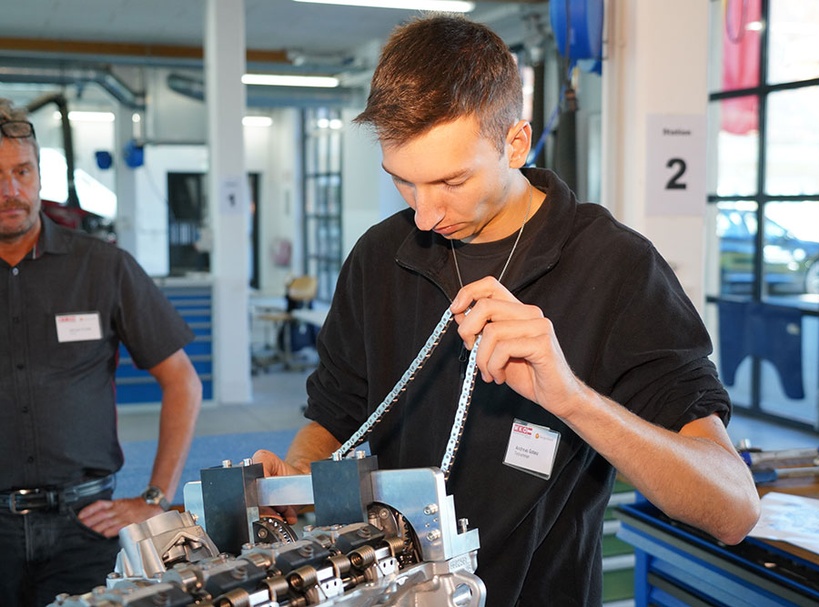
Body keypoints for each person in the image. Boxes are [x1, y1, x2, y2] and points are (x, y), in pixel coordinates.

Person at [254, 14, 760, 606]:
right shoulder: (379, 258)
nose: (424, 214)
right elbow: (334, 418)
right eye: (404, 182)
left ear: (515, 143)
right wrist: (294, 480)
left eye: (451, 181)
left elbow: (733, 508)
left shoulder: (616, 268)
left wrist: (570, 396)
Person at [0, 99, 203, 606]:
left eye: (22, 171)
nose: (11, 190)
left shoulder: (103, 267)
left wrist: (154, 497)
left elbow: (182, 381)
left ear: (40, 175)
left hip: (83, 527)